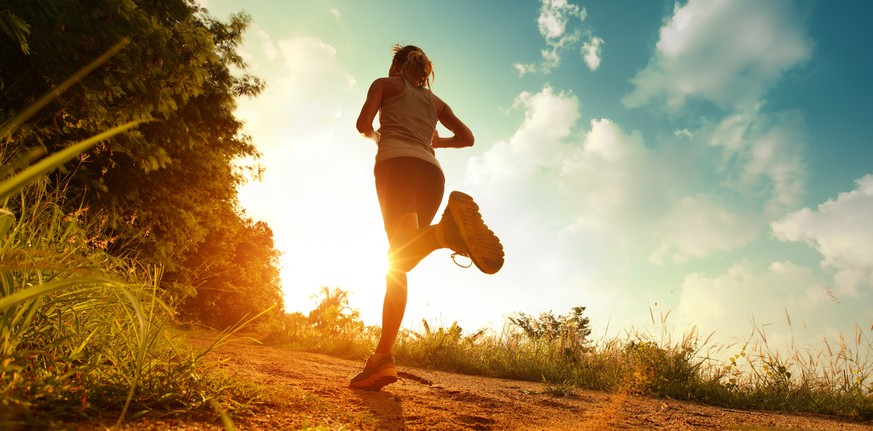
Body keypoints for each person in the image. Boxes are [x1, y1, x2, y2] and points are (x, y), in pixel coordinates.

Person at [349, 44, 504, 391]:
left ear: (396, 65)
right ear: (423, 69)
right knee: (400, 260)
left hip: (396, 166)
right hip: (432, 174)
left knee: (399, 257)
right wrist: (437, 142)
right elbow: (467, 138)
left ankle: (442, 234)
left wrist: (377, 136)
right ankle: (383, 359)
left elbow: (362, 124)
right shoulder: (436, 103)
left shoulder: (385, 85)